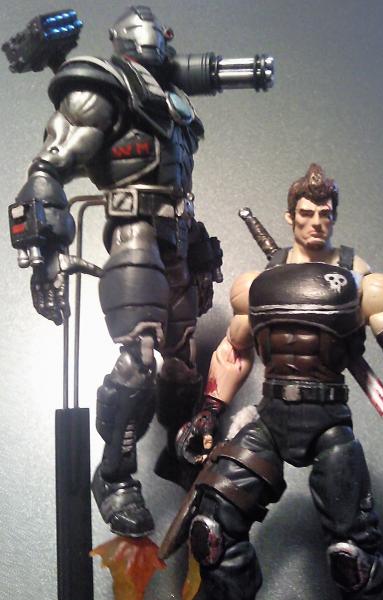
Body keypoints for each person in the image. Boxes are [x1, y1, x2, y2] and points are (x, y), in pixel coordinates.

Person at [9, 5, 273, 537]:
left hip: (179, 236)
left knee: (182, 362)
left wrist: (199, 255)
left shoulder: (171, 102)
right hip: (134, 232)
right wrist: (43, 257)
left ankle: (179, 452)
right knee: (138, 355)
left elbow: (179, 185)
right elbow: (46, 170)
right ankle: (113, 475)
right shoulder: (100, 87)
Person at [176, 163, 383, 599]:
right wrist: (209, 411)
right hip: (269, 421)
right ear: (291, 217)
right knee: (211, 532)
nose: (316, 222)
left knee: (353, 557)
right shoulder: (256, 284)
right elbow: (234, 351)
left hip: (327, 424)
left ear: (334, 217)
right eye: (306, 213)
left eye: (325, 214)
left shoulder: (363, 281)